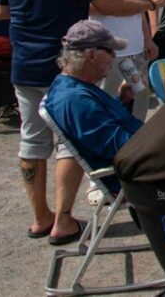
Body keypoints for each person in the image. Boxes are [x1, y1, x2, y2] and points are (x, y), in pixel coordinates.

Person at [0, 0, 165, 244]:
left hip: (25, 65)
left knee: (31, 142)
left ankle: (39, 218)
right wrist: (147, 2)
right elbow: (105, 3)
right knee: (68, 141)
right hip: (68, 66)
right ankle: (62, 219)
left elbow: (1, 12)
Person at [42, 20, 144, 211]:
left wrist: (123, 101)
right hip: (136, 173)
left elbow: (107, 130)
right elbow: (121, 147)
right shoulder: (75, 99)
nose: (114, 56)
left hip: (137, 157)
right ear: (91, 55)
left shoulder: (74, 87)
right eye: (109, 51)